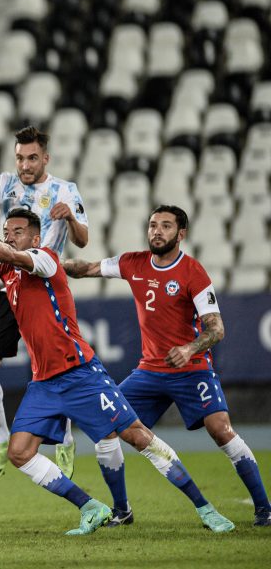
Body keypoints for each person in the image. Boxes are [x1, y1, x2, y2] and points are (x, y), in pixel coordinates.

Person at [0, 209, 235, 535]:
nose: (10, 235)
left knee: (136, 436)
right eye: (7, 230)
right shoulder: (8, 270)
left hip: (81, 373)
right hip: (43, 382)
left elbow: (8, 253)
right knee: (19, 452)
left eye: (18, 231)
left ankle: (205, 508)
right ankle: (90, 507)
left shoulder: (45, 259)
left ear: (35, 239)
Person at [63, 205, 270, 527]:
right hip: (149, 371)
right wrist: (44, 265)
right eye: (153, 225)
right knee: (106, 427)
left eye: (166, 226)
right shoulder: (133, 263)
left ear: (181, 234)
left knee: (221, 430)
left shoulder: (193, 272)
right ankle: (122, 510)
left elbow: (217, 328)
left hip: (193, 369)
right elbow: (85, 268)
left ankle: (264, 509)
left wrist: (190, 348)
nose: (157, 231)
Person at [0, 126, 86, 483]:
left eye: (32, 158)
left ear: (46, 158)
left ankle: (65, 439)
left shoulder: (65, 190)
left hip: (46, 287)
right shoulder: (5, 183)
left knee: (57, 368)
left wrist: (69, 216)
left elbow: (83, 240)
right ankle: (0, 440)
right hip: (12, 281)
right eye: (20, 157)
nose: (25, 164)